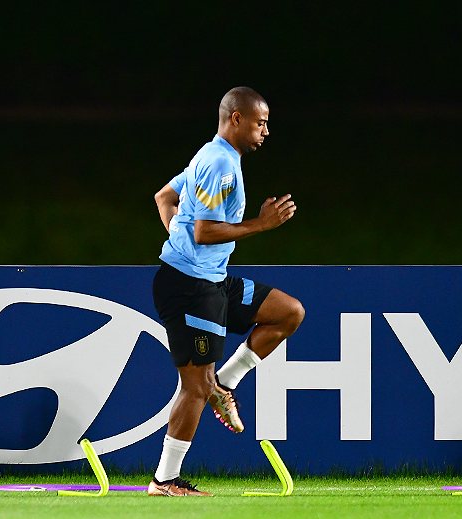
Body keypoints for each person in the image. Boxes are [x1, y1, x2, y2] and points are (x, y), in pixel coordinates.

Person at [148, 86, 305, 496]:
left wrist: (178, 235)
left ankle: (227, 383)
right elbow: (204, 232)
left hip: (213, 280)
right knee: (195, 387)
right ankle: (164, 480)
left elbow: (164, 197)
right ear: (236, 118)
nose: (265, 131)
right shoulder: (219, 163)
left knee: (288, 312)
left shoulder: (214, 155)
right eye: (260, 123)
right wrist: (261, 224)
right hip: (189, 287)